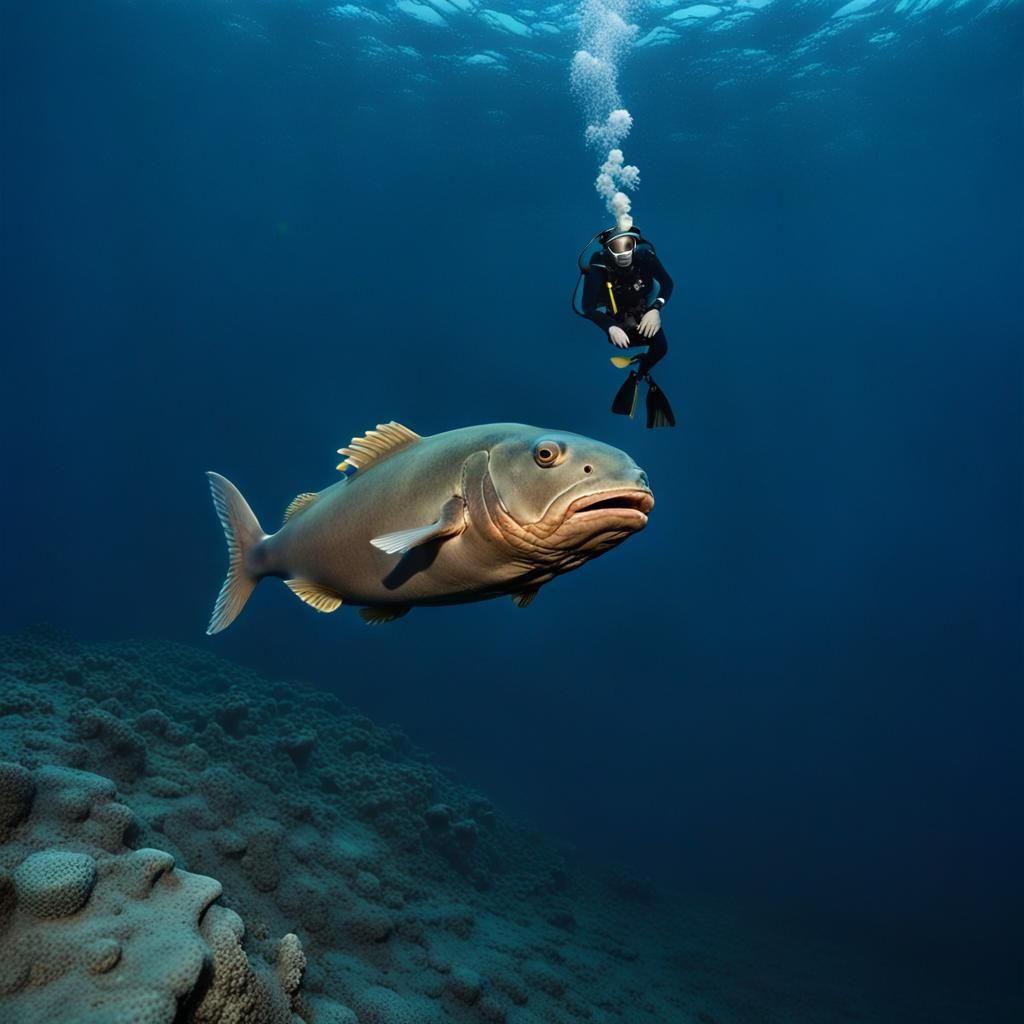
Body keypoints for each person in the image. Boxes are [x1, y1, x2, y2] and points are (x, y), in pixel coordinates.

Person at [580, 224, 676, 428]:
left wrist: (655, 309)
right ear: (607, 248)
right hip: (618, 318)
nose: (623, 252)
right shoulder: (598, 269)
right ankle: (638, 359)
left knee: (662, 347)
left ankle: (639, 374)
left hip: (644, 310)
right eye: (616, 247)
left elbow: (668, 284)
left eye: (628, 245)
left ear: (635, 244)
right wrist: (610, 327)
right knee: (622, 344)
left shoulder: (646, 257)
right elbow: (587, 307)